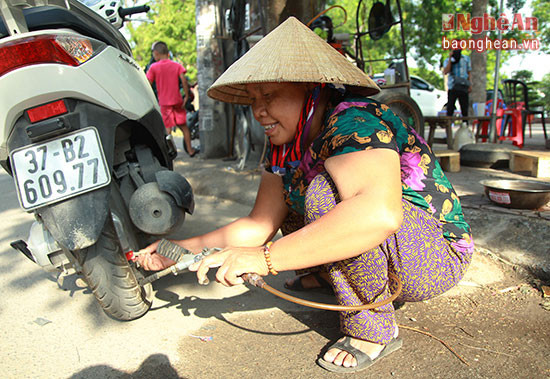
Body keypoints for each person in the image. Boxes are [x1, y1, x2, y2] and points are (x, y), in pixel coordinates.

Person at [137, 17, 474, 373]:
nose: (258, 111)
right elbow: (259, 224)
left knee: (322, 193)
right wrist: (181, 251)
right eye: (253, 100)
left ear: (312, 90)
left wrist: (263, 260)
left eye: (269, 96)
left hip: (433, 255)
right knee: (295, 194)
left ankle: (373, 330)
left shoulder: (353, 121)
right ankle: (332, 276)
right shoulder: (284, 146)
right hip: (392, 248)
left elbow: (378, 214)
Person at [146, 41, 198, 157]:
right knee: (184, 127)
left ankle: (167, 153)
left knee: (168, 128)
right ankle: (190, 150)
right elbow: (183, 80)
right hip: (178, 101)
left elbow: (147, 83)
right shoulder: (176, 65)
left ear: (156, 53)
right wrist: (186, 96)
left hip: (165, 102)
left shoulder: (154, 67)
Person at [443, 49, 472, 117]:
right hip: (452, 86)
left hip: (464, 86)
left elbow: (469, 72)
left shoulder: (466, 59)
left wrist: (470, 85)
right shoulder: (447, 60)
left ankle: (465, 124)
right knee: (450, 107)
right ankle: (449, 125)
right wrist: (450, 58)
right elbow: (446, 71)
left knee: (464, 108)